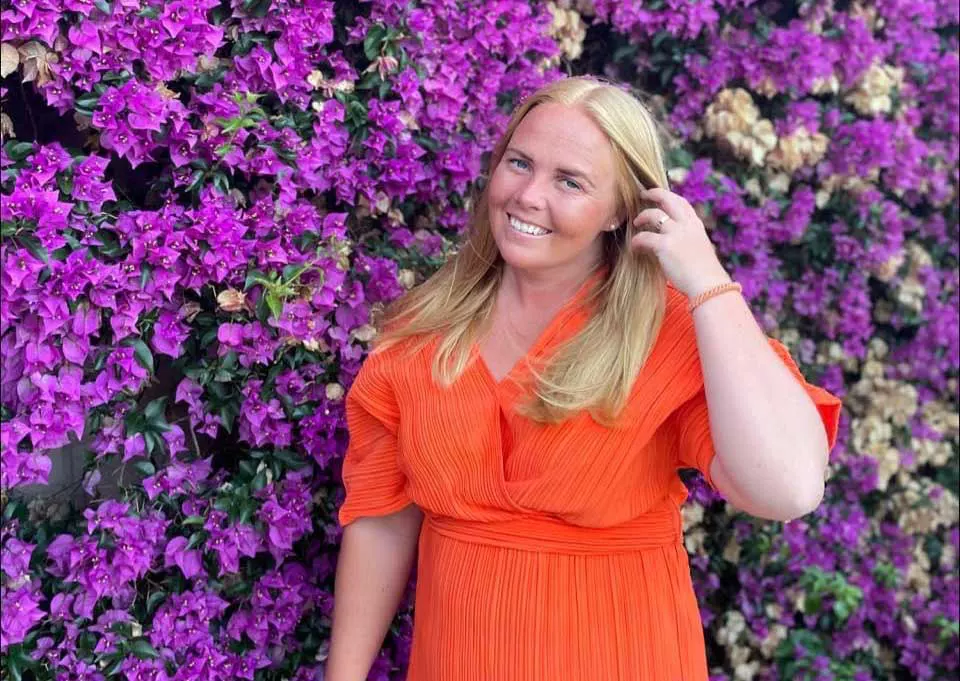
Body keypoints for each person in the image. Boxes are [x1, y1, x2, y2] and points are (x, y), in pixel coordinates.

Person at [325, 76, 842, 680]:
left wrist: (707, 282)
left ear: (622, 209)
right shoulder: (424, 332)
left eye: (569, 181)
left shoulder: (668, 332)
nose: (528, 195)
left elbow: (787, 490)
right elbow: (383, 520)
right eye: (519, 163)